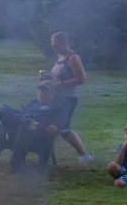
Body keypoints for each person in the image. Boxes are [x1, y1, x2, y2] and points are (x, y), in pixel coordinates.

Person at [40, 32, 93, 163]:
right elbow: (58, 75)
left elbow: (81, 79)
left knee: (63, 128)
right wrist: (47, 77)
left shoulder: (73, 58)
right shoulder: (60, 56)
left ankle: (85, 155)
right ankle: (47, 153)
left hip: (68, 99)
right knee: (50, 124)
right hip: (57, 97)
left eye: (55, 45)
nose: (53, 48)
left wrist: (60, 84)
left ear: (64, 43)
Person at [0, 81, 66, 173]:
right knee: (2, 108)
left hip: (39, 131)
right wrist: (23, 115)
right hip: (18, 129)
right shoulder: (30, 105)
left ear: (52, 94)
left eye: (45, 91)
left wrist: (55, 125)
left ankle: (16, 165)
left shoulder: (57, 107)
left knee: (27, 127)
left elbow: (64, 121)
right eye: (40, 91)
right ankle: (27, 119)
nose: (42, 94)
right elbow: (15, 116)